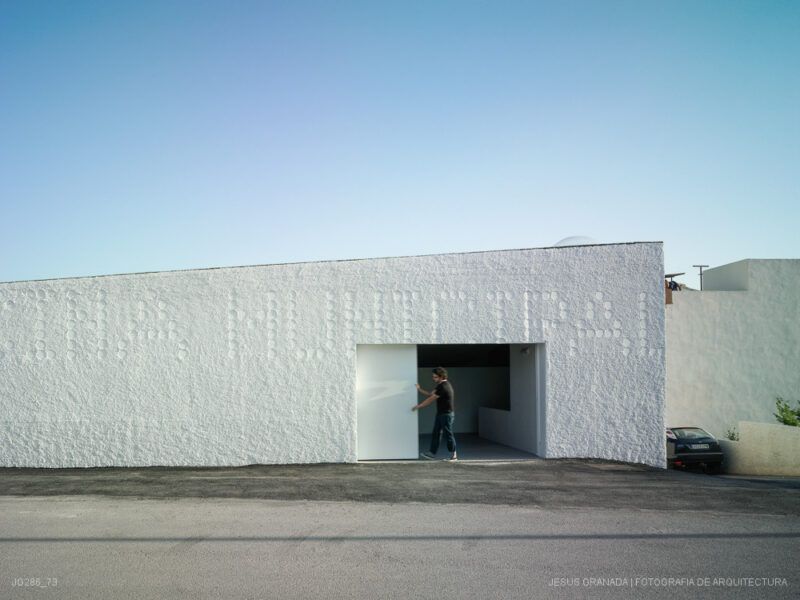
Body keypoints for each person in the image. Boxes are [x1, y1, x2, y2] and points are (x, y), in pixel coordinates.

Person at [412, 366, 457, 461]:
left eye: (435, 377)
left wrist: (418, 407)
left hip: (446, 415)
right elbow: (430, 394)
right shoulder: (440, 385)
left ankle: (454, 455)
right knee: (436, 433)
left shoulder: (444, 387)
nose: (434, 379)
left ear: (441, 377)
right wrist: (419, 389)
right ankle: (432, 453)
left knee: (448, 434)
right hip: (441, 414)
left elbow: (430, 400)